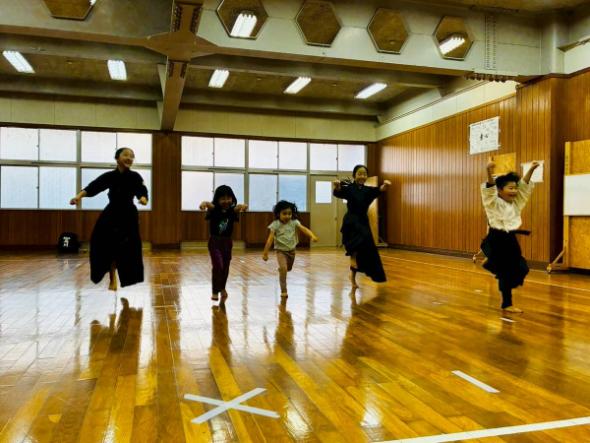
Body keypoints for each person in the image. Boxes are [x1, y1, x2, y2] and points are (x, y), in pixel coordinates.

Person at [70, 147, 148, 290]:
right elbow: (94, 187)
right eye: (126, 155)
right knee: (103, 243)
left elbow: (141, 190)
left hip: (129, 215)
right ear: (117, 158)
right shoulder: (110, 176)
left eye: (132, 156)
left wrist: (143, 198)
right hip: (111, 213)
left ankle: (124, 277)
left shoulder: (135, 176)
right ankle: (112, 276)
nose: (129, 158)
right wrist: (78, 196)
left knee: (127, 248)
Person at [480, 160, 540, 313]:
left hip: (510, 238)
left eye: (515, 188)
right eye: (510, 188)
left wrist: (531, 169)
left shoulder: (516, 203)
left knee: (522, 268)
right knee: (505, 272)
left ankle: (491, 263)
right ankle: (507, 304)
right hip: (496, 238)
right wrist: (488, 171)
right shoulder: (492, 203)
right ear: (500, 190)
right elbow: (490, 188)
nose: (514, 191)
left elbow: (524, 187)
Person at [333, 164, 390, 287]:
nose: (362, 176)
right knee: (356, 242)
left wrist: (386, 185)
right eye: (359, 173)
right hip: (351, 221)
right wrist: (337, 186)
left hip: (363, 221)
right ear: (354, 176)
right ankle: (353, 259)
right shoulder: (349, 189)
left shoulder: (368, 190)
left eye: (364, 174)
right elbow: (338, 192)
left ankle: (354, 276)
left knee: (368, 248)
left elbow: (380, 190)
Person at [199, 185, 247, 302]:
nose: (226, 201)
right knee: (218, 266)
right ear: (217, 199)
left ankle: (222, 288)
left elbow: (240, 207)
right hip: (215, 242)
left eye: (228, 198)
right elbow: (207, 203)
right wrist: (203, 204)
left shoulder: (232, 210)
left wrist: (244, 206)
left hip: (227, 242)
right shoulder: (214, 209)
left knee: (225, 268)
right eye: (223, 198)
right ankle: (215, 291)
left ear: (232, 198)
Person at [262, 200, 318, 298]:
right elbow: (270, 239)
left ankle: (283, 269)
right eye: (284, 214)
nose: (287, 216)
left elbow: (304, 229)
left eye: (289, 214)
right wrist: (265, 253)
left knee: (288, 268)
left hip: (292, 251)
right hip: (280, 251)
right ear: (278, 214)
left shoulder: (294, 222)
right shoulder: (275, 224)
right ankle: (284, 290)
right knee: (284, 269)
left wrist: (312, 236)